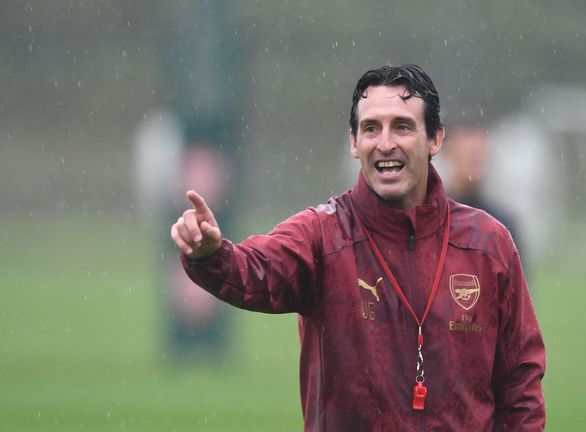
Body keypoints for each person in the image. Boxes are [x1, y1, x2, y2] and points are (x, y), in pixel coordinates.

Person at [171, 64, 546, 431]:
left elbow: (520, 379)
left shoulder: (487, 243)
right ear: (354, 142)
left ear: (434, 140)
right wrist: (212, 256)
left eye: (402, 126)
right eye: (371, 128)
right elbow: (255, 271)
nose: (385, 143)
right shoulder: (323, 233)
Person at [441, 121, 527, 271]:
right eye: (468, 154)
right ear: (448, 153)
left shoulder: (503, 222)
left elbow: (518, 288)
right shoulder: (433, 216)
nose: (475, 160)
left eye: (479, 154)